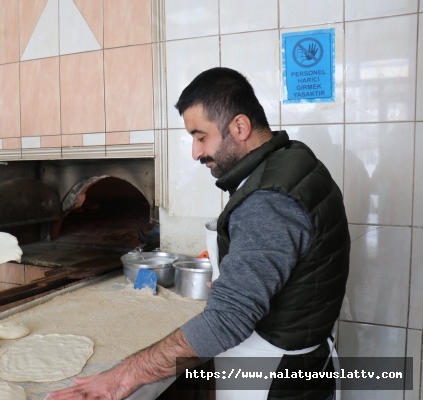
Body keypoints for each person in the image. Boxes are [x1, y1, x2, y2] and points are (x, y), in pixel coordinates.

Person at [47, 67, 350, 399]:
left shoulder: (268, 199)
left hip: (273, 381)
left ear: (240, 126)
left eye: (200, 136)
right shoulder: (294, 162)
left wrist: (123, 376)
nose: (195, 152)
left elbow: (226, 321)